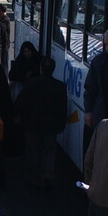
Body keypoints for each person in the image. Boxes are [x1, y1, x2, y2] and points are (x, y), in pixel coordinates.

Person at [15, 57, 68, 189]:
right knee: (49, 152)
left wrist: (19, 117)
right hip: (51, 126)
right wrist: (61, 124)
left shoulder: (31, 83)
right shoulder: (60, 86)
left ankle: (35, 178)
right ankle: (47, 175)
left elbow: (21, 101)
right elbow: (63, 107)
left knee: (33, 151)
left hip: (32, 124)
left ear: (41, 68)